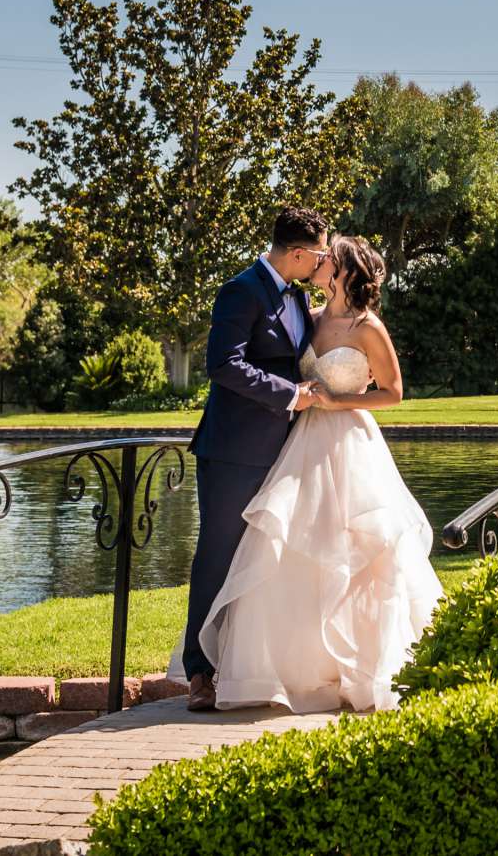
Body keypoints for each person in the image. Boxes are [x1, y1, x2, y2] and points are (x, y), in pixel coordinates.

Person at [184, 232, 444, 712]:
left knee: (358, 552)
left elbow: (393, 392)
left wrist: (337, 400)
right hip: (298, 442)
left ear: (344, 271)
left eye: (331, 258)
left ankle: (363, 661)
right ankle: (260, 666)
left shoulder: (369, 327)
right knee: (288, 551)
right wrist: (303, 399)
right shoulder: (310, 315)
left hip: (349, 444)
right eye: (320, 255)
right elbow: (251, 365)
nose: (322, 263)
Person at [178, 206, 331, 711]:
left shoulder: (301, 297)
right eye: (320, 253)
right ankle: (199, 673)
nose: (322, 261)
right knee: (219, 555)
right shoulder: (240, 290)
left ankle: (253, 665)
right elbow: (223, 365)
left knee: (272, 558)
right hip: (234, 452)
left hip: (287, 450)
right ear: (297, 253)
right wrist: (290, 395)